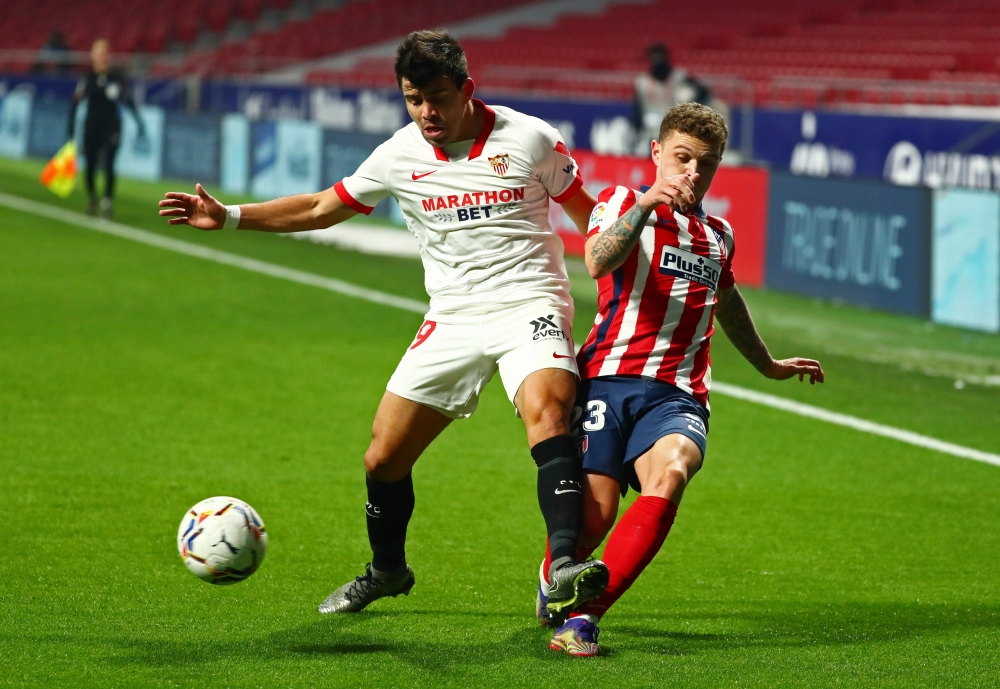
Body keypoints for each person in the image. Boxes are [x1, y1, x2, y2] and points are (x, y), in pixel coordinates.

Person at [159, 30, 610, 616]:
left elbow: (593, 220)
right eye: (413, 99)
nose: (427, 113)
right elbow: (324, 207)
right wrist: (231, 217)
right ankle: (387, 570)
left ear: (467, 89)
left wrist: (619, 295)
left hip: (531, 304)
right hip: (452, 316)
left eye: (439, 97)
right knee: (382, 459)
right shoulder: (399, 154)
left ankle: (564, 566)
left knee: (547, 415)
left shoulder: (530, 139)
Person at [537, 103, 825, 656]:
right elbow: (597, 260)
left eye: (706, 164)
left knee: (670, 473)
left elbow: (728, 301)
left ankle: (584, 620)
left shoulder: (719, 236)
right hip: (607, 383)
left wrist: (767, 364)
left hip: (678, 395)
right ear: (657, 154)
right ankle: (556, 576)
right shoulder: (621, 202)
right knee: (593, 518)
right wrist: (647, 203)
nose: (693, 173)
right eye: (682, 159)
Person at [67, 39, 144, 219]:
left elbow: (128, 100)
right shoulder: (87, 78)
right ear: (93, 55)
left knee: (109, 163)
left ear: (108, 55)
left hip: (111, 127)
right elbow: (75, 103)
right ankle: (93, 198)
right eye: (97, 52)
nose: (101, 55)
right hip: (92, 126)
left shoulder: (117, 77)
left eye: (104, 52)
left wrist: (139, 122)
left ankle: (107, 202)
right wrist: (70, 130)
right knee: (91, 165)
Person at [633, 44, 710, 156]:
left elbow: (703, 92)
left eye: (659, 58)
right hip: (650, 130)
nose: (657, 62)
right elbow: (637, 109)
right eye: (654, 58)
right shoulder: (642, 82)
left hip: (674, 128)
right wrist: (638, 129)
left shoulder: (679, 78)